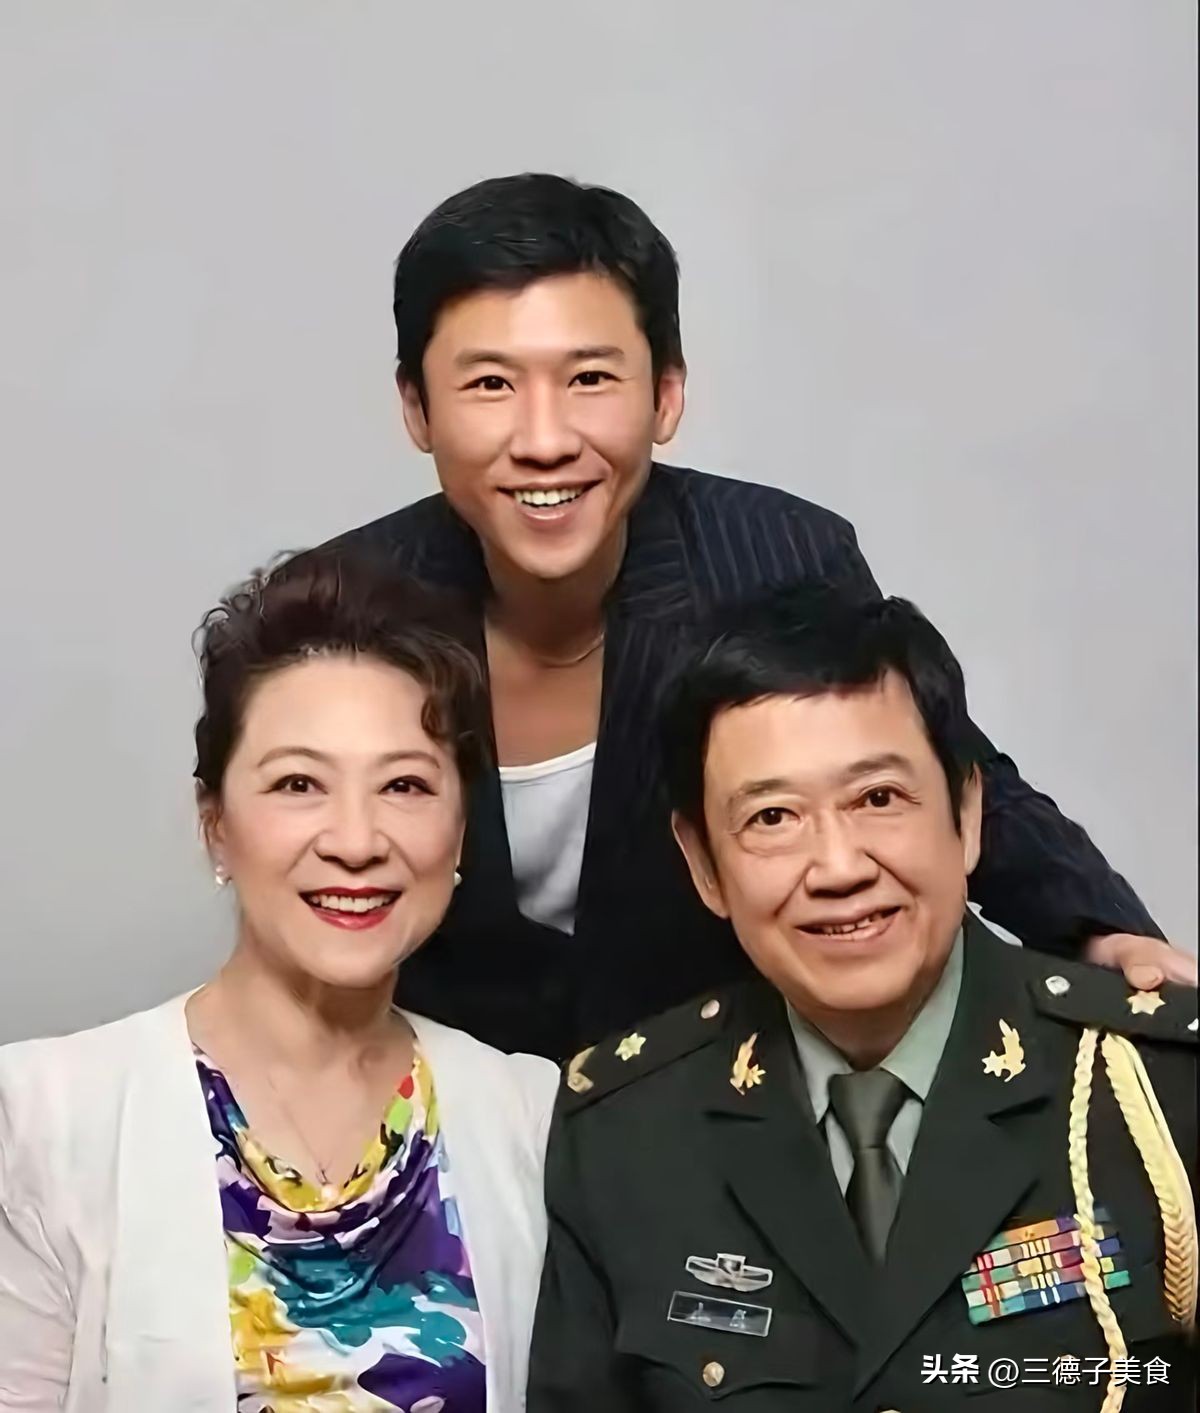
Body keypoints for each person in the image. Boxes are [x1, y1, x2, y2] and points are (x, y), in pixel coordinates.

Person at [334, 171, 1193, 1060]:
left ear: (666, 394)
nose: (544, 439)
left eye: (590, 377)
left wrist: (1100, 932)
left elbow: (933, 771)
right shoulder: (343, 609)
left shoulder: (772, 556)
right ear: (416, 408)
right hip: (427, 1092)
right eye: (490, 384)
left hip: (710, 1082)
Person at [526, 587, 1198, 1411]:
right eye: (773, 816)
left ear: (968, 812)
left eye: (878, 798)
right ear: (703, 863)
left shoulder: (1157, 1087)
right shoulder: (624, 1133)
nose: (839, 866)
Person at [0, 550, 557, 1412]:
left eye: (405, 784)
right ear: (216, 824)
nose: (356, 840)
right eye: (299, 783)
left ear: (459, 832)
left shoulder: (531, 1115)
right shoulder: (42, 1117)